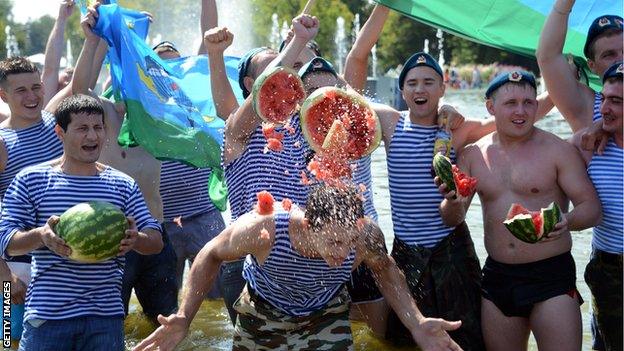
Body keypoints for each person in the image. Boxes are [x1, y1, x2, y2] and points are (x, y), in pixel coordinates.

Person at [134, 185, 462, 351]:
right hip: (263, 310)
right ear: (307, 225)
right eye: (333, 243)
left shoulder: (364, 236)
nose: (343, 253)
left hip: (325, 312)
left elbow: (386, 270)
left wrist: (416, 322)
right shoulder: (265, 229)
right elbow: (209, 255)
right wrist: (184, 318)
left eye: (349, 243)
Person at [443, 71, 601, 350]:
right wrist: (452, 203)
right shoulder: (472, 155)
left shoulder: (558, 150)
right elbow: (453, 219)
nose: (521, 111)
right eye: (511, 103)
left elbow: (591, 208)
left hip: (551, 276)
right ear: (491, 107)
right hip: (498, 277)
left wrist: (568, 221)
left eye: (529, 103)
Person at [0, 94, 163, 350]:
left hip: (105, 319)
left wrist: (136, 240)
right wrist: (41, 236)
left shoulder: (122, 184)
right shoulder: (31, 179)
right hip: (47, 318)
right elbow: (6, 241)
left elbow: (155, 240)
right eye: (82, 128)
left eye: (98, 128)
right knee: (6, 339)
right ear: (60, 132)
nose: (92, 136)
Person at [74, 6, 178, 323]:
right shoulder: (101, 115)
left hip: (154, 235)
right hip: (110, 240)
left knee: (165, 320)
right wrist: (96, 38)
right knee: (109, 322)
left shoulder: (158, 120)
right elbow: (78, 90)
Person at [0, 55, 70, 342]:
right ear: (3, 96)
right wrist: (4, 276)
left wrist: (94, 36)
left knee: (63, 339)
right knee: (7, 337)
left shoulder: (57, 124)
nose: (32, 96)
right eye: (21, 90)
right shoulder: (1, 142)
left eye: (36, 87)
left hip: (63, 261)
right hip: (14, 264)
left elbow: (82, 81)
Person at [570, 62, 623, 351]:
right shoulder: (590, 144)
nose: (604, 108)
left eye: (616, 101)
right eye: (604, 99)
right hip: (609, 267)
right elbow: (543, 157)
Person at [537, 1, 622, 133]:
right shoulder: (587, 105)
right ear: (592, 66)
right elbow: (548, 56)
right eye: (609, 55)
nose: (621, 60)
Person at [41, 0, 76, 106]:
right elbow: (50, 69)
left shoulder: (86, 105)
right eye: (66, 78)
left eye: (71, 82)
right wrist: (61, 18)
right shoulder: (49, 104)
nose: (66, 84)